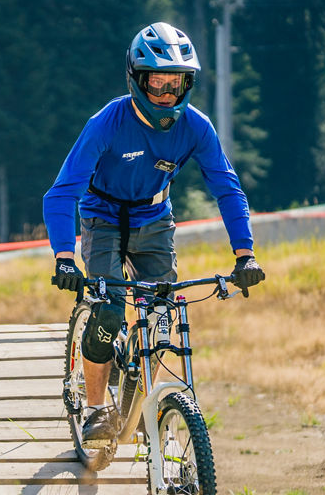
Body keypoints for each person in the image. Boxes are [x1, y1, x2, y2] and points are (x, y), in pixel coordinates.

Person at [43, 22, 265, 444]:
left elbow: (226, 187)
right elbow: (60, 194)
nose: (167, 94)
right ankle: (94, 408)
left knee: (163, 316)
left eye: (176, 83)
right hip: (102, 218)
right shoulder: (107, 122)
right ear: (136, 80)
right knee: (108, 311)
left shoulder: (196, 127)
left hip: (154, 219)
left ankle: (147, 401)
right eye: (156, 82)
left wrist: (245, 255)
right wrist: (64, 256)